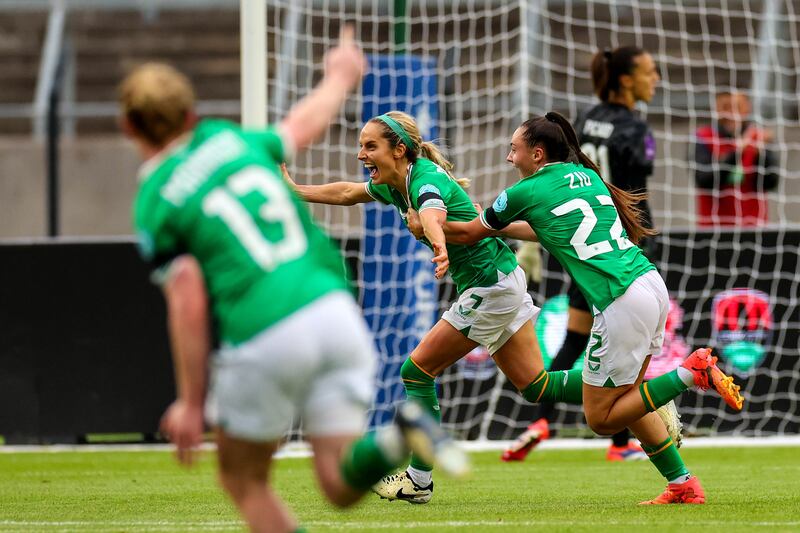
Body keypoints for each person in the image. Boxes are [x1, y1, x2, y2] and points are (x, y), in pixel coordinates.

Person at [119, 29, 466, 533]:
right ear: (191, 115)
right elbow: (299, 126)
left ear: (129, 126)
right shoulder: (229, 139)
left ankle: (401, 438)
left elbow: (188, 298)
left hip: (267, 328)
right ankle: (397, 439)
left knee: (243, 478)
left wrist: (192, 401)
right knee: (337, 481)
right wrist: (339, 77)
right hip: (335, 312)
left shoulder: (155, 197)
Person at [430, 112, 745, 504]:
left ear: (538, 153)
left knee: (601, 419)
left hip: (620, 299)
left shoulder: (522, 192)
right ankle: (682, 484)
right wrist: (502, 225)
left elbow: (467, 232)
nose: (509, 157)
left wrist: (422, 217)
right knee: (627, 401)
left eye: (514, 149)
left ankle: (690, 373)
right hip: (648, 282)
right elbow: (547, 228)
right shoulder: (586, 176)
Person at [284, 110, 584, 504]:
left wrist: (438, 243)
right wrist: (297, 190)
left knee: (417, 370)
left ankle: (418, 480)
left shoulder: (422, 178)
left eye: (370, 146)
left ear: (400, 149)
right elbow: (345, 193)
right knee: (536, 386)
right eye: (361, 146)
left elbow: (432, 210)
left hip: (488, 285)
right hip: (500, 279)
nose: (361, 155)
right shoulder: (395, 183)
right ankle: (632, 391)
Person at [503, 45, 664, 463]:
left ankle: (542, 419)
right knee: (617, 357)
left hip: (576, 242)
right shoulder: (635, 128)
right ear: (627, 79)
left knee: (575, 339)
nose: (657, 78)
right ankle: (621, 441)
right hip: (619, 251)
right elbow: (632, 195)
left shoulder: (586, 121)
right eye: (650, 71)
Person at [694, 91, 779, 226]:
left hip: (754, 229)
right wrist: (738, 152)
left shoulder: (759, 138)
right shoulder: (703, 137)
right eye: (725, 107)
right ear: (716, 108)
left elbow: (771, 183)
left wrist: (760, 155)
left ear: (747, 107)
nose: (731, 114)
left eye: (737, 107)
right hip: (713, 231)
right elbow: (704, 180)